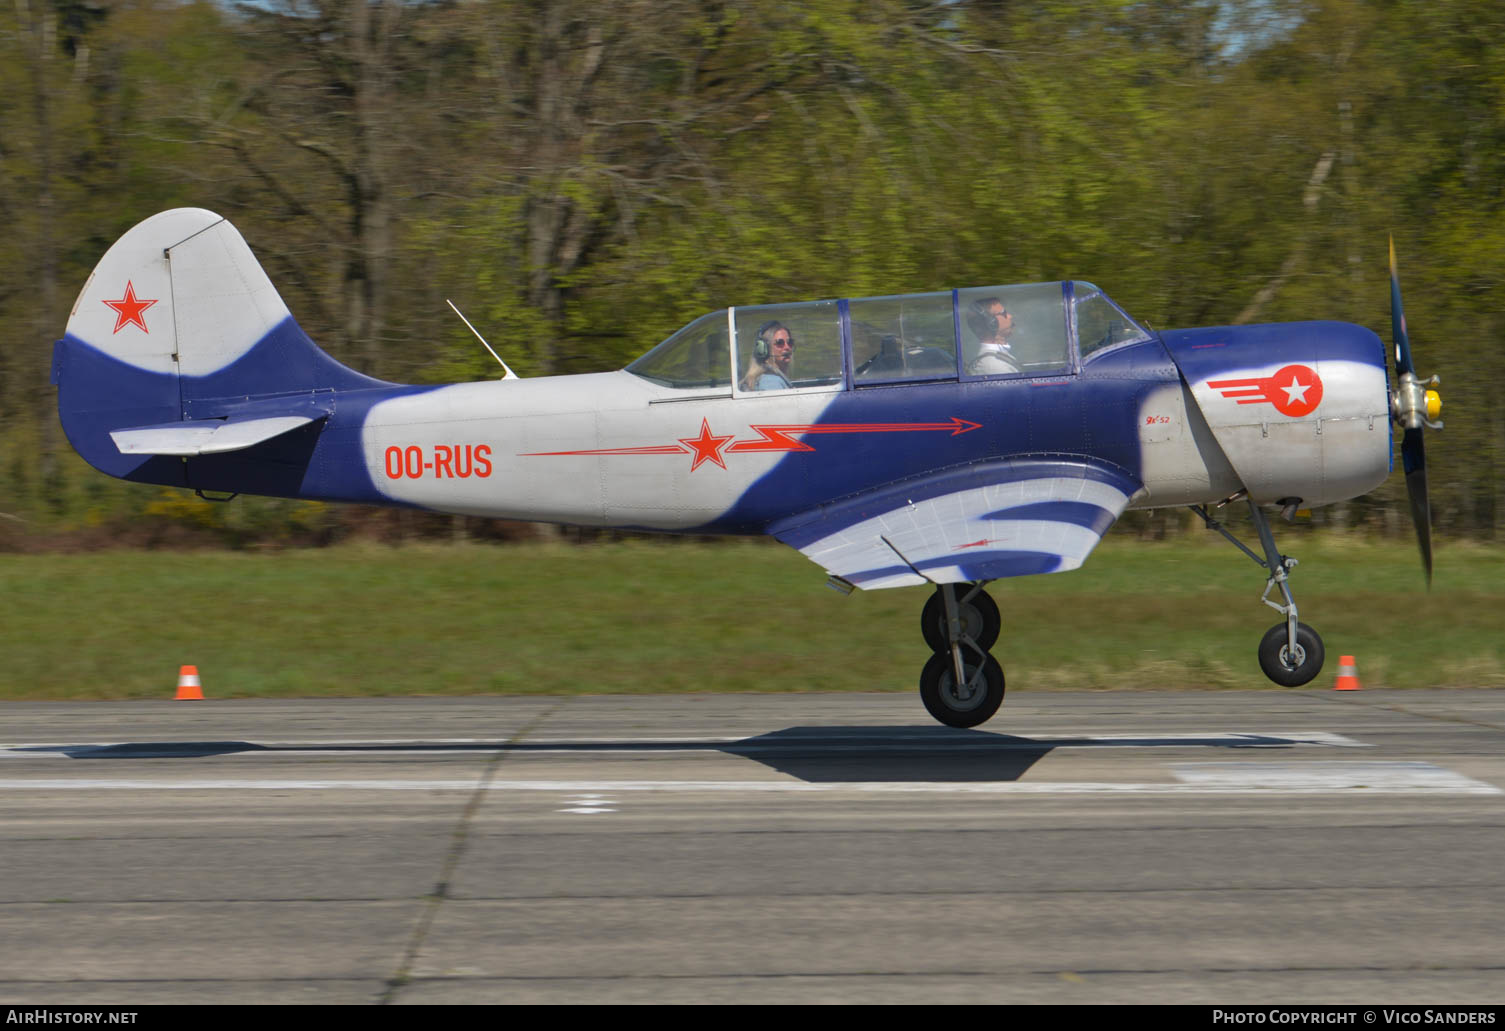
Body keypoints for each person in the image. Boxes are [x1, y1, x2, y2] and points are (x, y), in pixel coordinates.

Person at [965, 298, 1020, 375]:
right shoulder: (995, 367)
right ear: (992, 323)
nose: (1010, 316)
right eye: (1004, 313)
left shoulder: (997, 358)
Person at [741, 321, 795, 390]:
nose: (787, 347)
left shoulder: (771, 379)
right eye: (780, 343)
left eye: (789, 342)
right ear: (764, 349)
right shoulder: (770, 382)